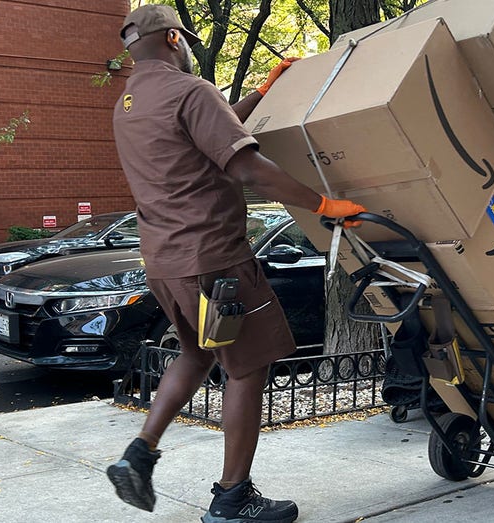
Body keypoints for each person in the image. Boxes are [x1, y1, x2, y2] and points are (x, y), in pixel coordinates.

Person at [106, 5, 366, 522]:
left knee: (196, 356)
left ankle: (140, 452)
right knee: (248, 369)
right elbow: (245, 165)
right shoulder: (190, 91)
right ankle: (232, 499)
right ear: (176, 38)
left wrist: (261, 94)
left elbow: (210, 137)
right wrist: (323, 205)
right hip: (216, 263)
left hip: (166, 262)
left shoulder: (131, 104)